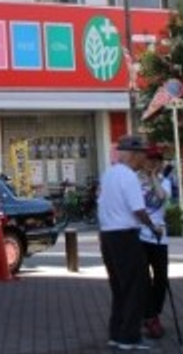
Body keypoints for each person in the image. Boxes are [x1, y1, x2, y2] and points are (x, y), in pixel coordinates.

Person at [98, 134, 163, 351]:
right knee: (137, 287)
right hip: (125, 236)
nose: (144, 160)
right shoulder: (129, 177)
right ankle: (129, 337)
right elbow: (138, 209)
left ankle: (116, 334)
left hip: (107, 236)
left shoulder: (109, 173)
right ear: (133, 155)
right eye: (143, 155)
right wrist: (152, 227)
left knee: (119, 288)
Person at [139, 144, 171, 340]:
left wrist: (153, 178)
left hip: (160, 237)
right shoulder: (134, 181)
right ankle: (150, 318)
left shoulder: (164, 181)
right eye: (150, 159)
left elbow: (161, 196)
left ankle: (153, 314)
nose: (153, 163)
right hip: (140, 237)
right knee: (143, 280)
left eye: (157, 160)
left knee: (161, 279)